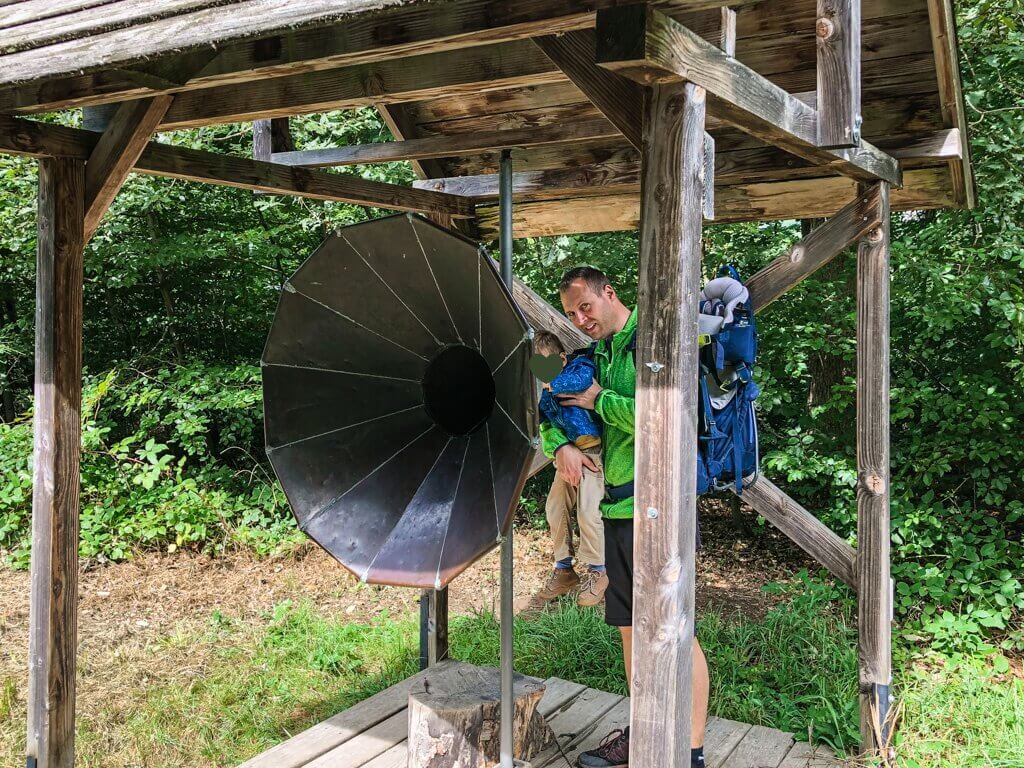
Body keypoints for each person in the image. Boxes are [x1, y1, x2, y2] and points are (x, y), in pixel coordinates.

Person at [538, 266, 709, 768]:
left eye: (585, 307)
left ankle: (690, 751)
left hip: (659, 508)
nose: (579, 319)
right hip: (616, 504)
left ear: (608, 293)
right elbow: (551, 406)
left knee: (675, 631)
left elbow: (668, 414)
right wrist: (563, 445)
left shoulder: (653, 340)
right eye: (571, 313)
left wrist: (600, 400)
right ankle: (645, 737)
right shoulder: (597, 355)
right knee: (630, 627)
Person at [517, 330, 608, 613]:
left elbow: (581, 382)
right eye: (537, 367)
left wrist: (551, 383)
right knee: (554, 507)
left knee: (589, 512)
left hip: (595, 453)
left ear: (562, 359)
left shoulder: (579, 368)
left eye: (548, 364)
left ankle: (599, 569)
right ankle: (564, 567)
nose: (543, 372)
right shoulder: (546, 395)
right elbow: (542, 424)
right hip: (569, 455)